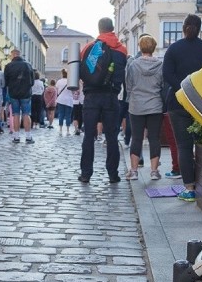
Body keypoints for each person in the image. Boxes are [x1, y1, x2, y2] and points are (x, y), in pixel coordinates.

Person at [163, 14, 202, 201]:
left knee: (183, 146)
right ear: (200, 28)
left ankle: (189, 188)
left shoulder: (174, 49)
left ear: (183, 27)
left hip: (178, 102)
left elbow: (167, 75)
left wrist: (183, 88)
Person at [78, 17, 128, 183]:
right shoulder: (122, 50)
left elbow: (81, 71)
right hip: (111, 97)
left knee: (89, 135)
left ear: (99, 29)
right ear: (112, 28)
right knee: (112, 136)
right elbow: (121, 75)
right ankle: (113, 175)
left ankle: (86, 174)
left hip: (91, 96)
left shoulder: (89, 47)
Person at [125, 34, 163, 181]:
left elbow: (129, 85)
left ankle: (134, 171)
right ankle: (154, 171)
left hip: (136, 105)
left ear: (140, 47)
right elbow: (162, 85)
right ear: (153, 48)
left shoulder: (133, 65)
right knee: (154, 138)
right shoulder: (160, 65)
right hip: (155, 104)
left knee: (136, 138)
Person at [4, 48, 35, 144]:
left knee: (15, 114)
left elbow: (6, 81)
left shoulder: (8, 66)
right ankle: (28, 137)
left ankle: (16, 137)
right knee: (26, 114)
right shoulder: (28, 65)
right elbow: (32, 81)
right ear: (20, 55)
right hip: (26, 93)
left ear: (13, 55)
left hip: (13, 93)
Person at [55, 69, 74, 134]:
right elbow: (73, 91)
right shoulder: (70, 81)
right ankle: (68, 130)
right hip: (69, 100)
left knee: (61, 114)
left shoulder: (59, 81)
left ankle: (60, 130)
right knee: (68, 115)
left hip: (61, 99)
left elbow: (57, 91)